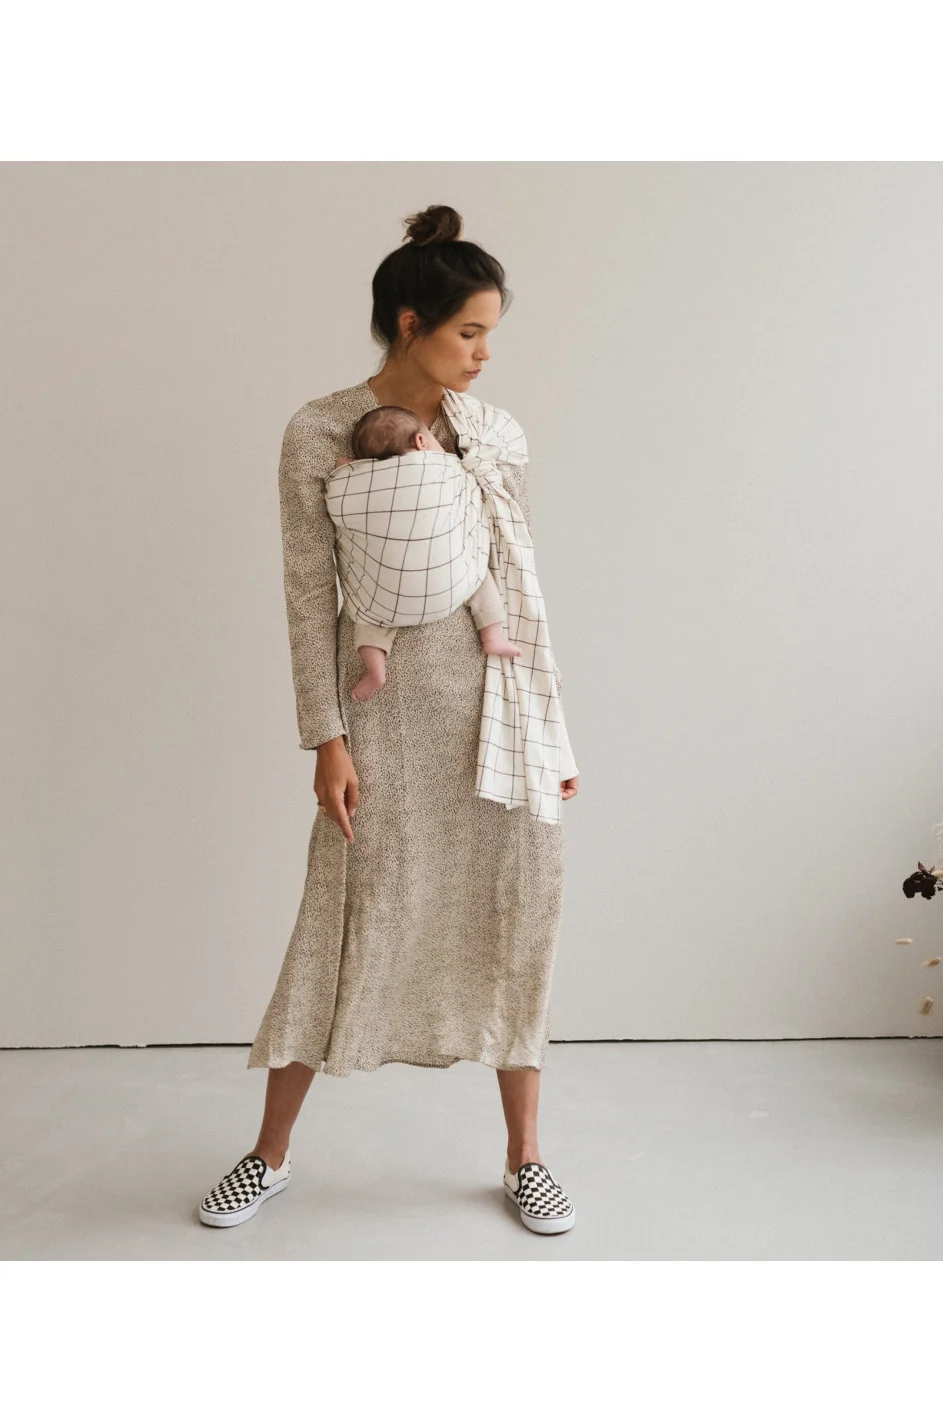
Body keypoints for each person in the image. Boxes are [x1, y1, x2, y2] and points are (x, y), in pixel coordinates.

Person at [197, 203, 580, 1235]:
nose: (484, 355)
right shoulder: (320, 430)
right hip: (384, 719)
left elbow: (519, 587)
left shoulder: (494, 436)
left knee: (518, 911)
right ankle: (269, 1155)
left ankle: (527, 1157)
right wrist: (326, 738)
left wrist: (552, 733)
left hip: (497, 712)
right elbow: (307, 594)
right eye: (469, 332)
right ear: (410, 324)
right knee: (338, 917)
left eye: (491, 333)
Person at [330, 403, 523, 703]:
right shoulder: (446, 468)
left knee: (367, 618)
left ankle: (375, 670)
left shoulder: (350, 483)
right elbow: (471, 480)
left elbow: (336, 500)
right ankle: (492, 636)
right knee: (480, 578)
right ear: (421, 441)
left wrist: (344, 471)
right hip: (450, 583)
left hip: (384, 595)